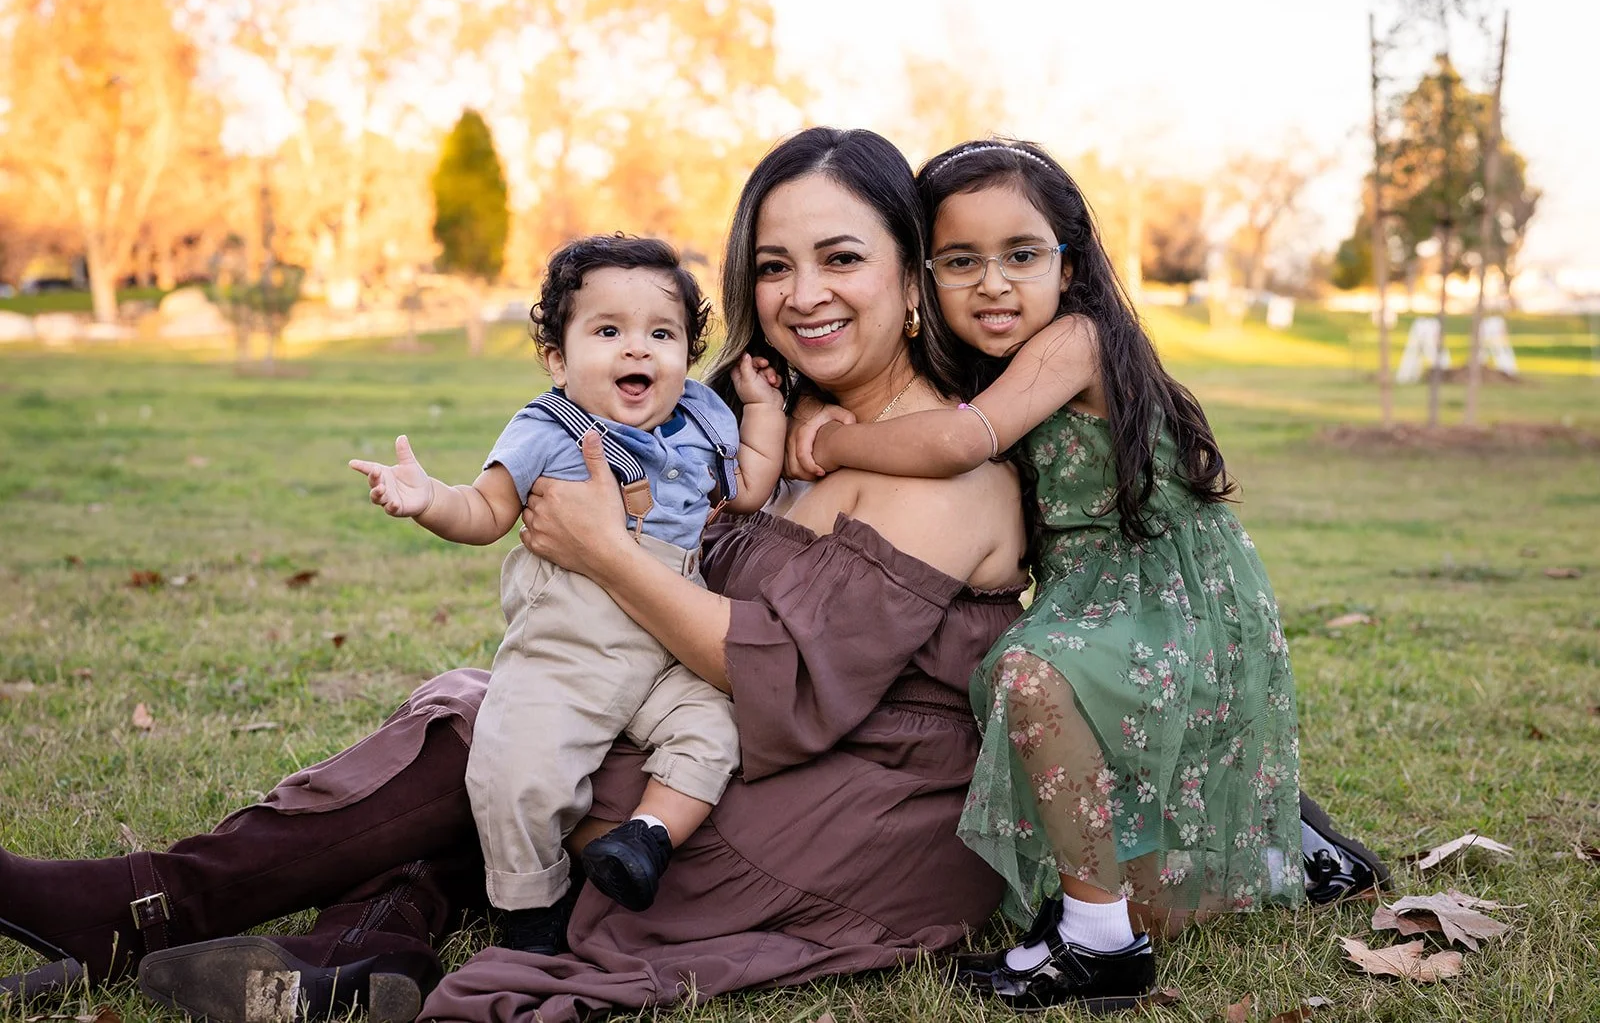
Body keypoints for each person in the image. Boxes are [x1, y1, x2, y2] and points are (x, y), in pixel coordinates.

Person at [0, 128, 1033, 1023]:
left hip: (852, 820)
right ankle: (359, 953)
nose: (801, 295)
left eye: (840, 257)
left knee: (480, 730)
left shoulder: (949, 470)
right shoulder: (782, 422)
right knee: (508, 727)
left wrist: (608, 555)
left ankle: (141, 904)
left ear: (912, 278)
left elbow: (790, 690)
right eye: (772, 266)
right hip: (759, 756)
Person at [786, 138, 1390, 1013]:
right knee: (1139, 858)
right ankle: (1289, 843)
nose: (992, 283)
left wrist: (832, 439)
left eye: (1021, 256)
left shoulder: (1074, 339)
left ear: (1069, 268)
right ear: (925, 276)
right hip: (1094, 591)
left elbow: (958, 441)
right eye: (960, 261)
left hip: (1167, 592)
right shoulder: (998, 362)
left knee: (1031, 678)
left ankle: (1101, 945)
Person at [346, 235, 786, 951]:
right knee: (514, 768)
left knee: (717, 726)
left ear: (688, 354)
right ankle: (530, 909)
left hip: (669, 640)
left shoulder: (704, 416)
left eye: (661, 333)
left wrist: (763, 405)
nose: (637, 349)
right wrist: (429, 498)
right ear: (558, 358)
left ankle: (645, 838)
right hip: (570, 643)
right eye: (608, 331)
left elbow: (752, 484)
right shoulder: (546, 428)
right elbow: (486, 511)